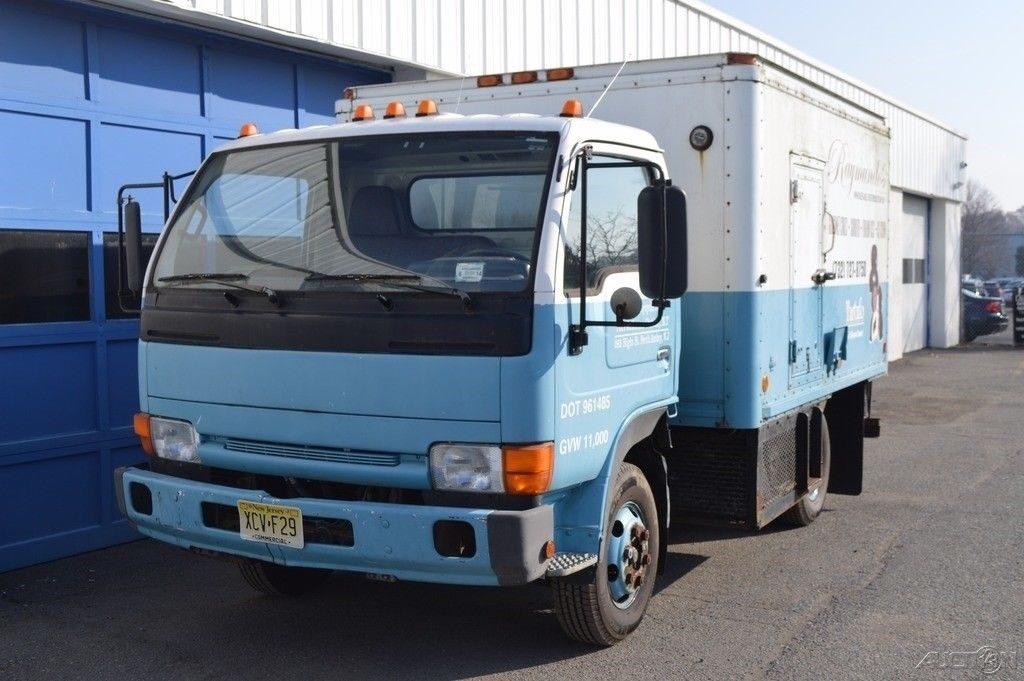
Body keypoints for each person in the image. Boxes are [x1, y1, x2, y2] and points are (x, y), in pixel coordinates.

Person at [869, 244, 883, 341]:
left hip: (877, 299)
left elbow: (874, 285)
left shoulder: (875, 272)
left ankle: (878, 334)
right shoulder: (873, 272)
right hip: (875, 299)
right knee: (875, 315)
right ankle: (874, 335)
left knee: (877, 314)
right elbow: (872, 286)